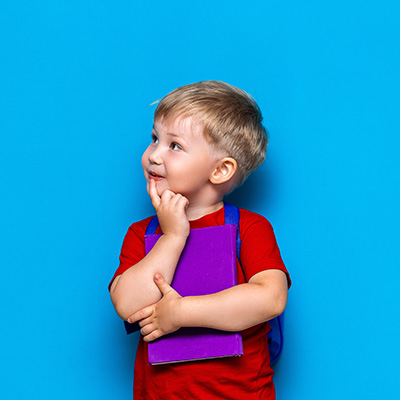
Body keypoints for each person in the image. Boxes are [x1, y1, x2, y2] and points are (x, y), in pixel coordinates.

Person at [109, 81, 291, 399]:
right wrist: (173, 236)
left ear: (220, 170)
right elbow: (126, 304)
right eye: (154, 139)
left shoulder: (249, 228)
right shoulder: (142, 233)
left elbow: (270, 298)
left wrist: (181, 313)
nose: (154, 155)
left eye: (174, 146)